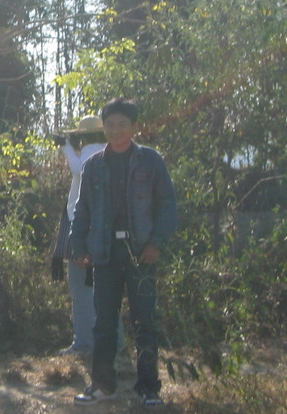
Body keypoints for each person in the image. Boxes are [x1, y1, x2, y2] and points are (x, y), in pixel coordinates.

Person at [70, 99, 177, 407]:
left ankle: (148, 388)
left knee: (145, 322)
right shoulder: (94, 165)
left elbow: (167, 205)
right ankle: (103, 386)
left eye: (121, 124)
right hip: (105, 254)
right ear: (103, 128)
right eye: (110, 125)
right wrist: (79, 247)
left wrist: (156, 242)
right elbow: (83, 210)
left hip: (141, 252)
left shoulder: (150, 161)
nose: (115, 130)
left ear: (133, 126)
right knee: (103, 323)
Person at [51, 115, 124, 356]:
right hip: (108, 229)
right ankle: (117, 343)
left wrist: (65, 146)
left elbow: (77, 168)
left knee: (81, 287)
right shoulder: (115, 153)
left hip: (83, 227)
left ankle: (83, 343)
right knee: (108, 289)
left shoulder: (92, 150)